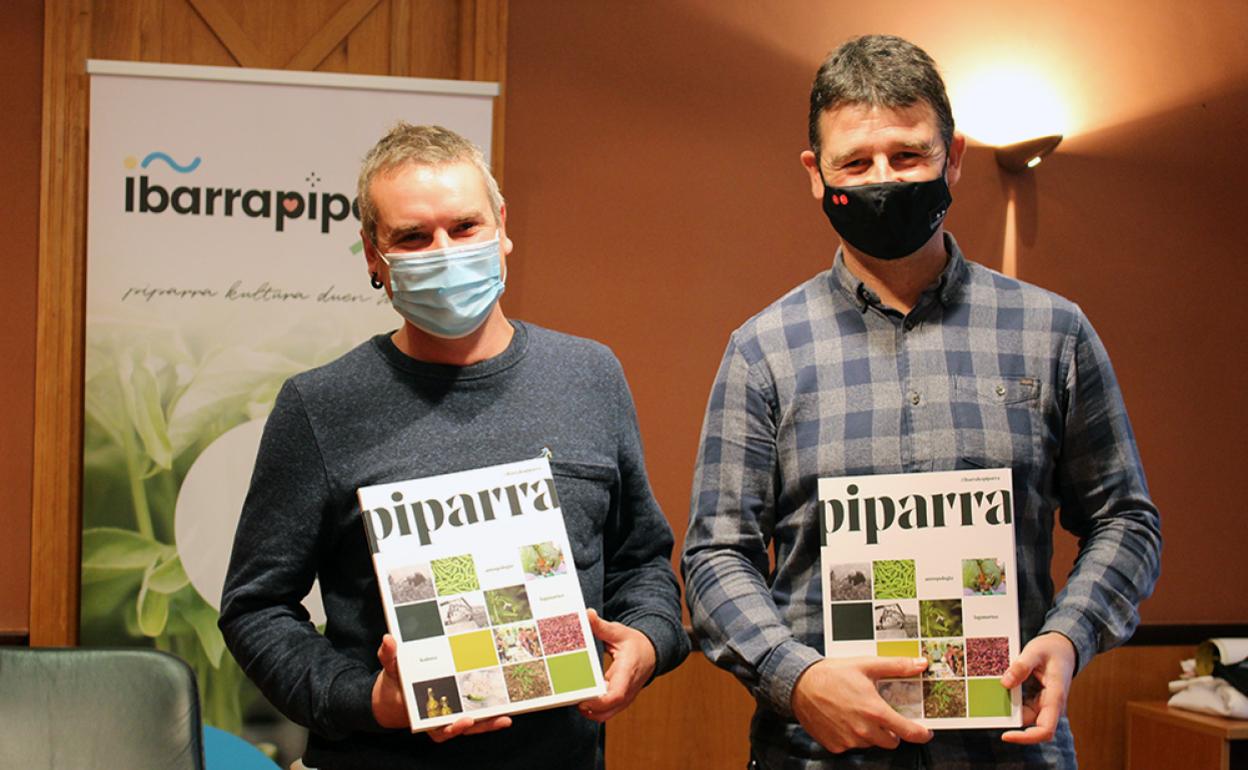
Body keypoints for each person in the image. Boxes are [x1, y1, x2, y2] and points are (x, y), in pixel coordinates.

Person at [681, 34, 1161, 769]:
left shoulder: (1053, 332)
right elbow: (716, 554)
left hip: (1009, 748)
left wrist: (1070, 635)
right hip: (818, 753)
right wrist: (795, 677)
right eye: (855, 162)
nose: (883, 181)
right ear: (816, 173)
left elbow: (1124, 519)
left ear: (953, 157)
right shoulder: (762, 351)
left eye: (908, 155)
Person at [220, 123, 688, 770]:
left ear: (502, 227)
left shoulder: (589, 376)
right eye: (413, 237)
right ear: (373, 257)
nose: (444, 252)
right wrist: (369, 699)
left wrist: (647, 643)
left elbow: (641, 563)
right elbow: (255, 608)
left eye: (465, 227)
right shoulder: (319, 407)